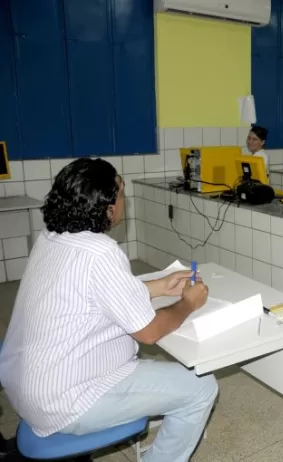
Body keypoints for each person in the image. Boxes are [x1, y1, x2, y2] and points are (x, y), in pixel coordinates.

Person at [0, 159, 217, 462]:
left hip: (26, 387)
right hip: (64, 402)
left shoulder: (51, 236)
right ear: (108, 208)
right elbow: (150, 332)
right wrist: (188, 303)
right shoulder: (101, 252)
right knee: (202, 387)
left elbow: (94, 294)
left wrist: (157, 285)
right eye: (121, 193)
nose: (123, 200)